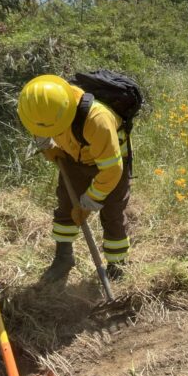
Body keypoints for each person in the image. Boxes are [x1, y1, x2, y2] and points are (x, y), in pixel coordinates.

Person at [17, 75, 131, 283]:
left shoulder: (98, 120)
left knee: (112, 214)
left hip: (110, 164)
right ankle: (63, 258)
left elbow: (111, 170)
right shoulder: (35, 105)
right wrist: (46, 146)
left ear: (66, 113)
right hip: (73, 157)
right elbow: (38, 127)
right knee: (66, 207)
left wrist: (89, 202)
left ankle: (117, 265)